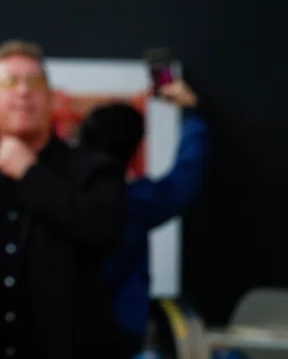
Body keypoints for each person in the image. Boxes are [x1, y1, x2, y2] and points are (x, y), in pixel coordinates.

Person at [0, 40, 126, 358]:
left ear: (52, 99)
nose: (24, 92)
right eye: (10, 82)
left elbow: (103, 232)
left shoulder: (95, 170)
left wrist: (31, 174)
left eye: (35, 82)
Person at [80, 79, 209, 356]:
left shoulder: (57, 193)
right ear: (136, 149)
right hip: (122, 331)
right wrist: (190, 113)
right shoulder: (137, 203)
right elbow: (186, 174)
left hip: (66, 327)